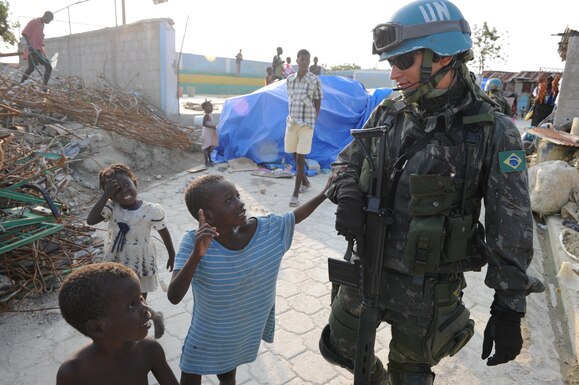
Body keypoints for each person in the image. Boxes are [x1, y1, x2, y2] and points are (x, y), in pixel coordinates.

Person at [318, 1, 544, 384]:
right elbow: (345, 162)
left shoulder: (492, 130)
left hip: (425, 289)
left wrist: (509, 307)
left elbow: (512, 222)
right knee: (338, 348)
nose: (394, 73)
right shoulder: (390, 112)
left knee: (411, 374)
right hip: (366, 266)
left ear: (443, 57)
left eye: (403, 61)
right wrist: (347, 191)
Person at [167, 173, 333, 385]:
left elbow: (294, 216)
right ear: (207, 216)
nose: (240, 203)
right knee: (190, 375)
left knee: (228, 375)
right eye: (229, 200)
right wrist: (196, 256)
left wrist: (324, 194)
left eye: (237, 195)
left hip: (240, 331)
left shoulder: (266, 230)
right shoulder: (193, 241)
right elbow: (173, 296)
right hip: (207, 335)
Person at [86, 163, 175, 339]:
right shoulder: (112, 207)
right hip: (117, 259)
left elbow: (163, 230)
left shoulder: (151, 210)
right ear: (111, 195)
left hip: (140, 261)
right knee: (120, 297)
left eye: (127, 184)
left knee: (139, 299)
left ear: (134, 182)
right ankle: (145, 319)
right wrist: (105, 195)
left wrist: (172, 254)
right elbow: (90, 220)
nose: (124, 191)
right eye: (116, 190)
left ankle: (143, 327)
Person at [56, 262, 179, 385]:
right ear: (96, 328)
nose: (145, 307)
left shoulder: (149, 349)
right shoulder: (72, 373)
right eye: (131, 305)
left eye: (141, 298)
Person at [285, 48, 323, 207]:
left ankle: (295, 194)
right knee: (293, 154)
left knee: (300, 158)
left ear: (309, 62)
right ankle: (306, 182)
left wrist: (314, 117)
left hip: (307, 123)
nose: (305, 62)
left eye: (307, 60)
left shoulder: (315, 80)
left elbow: (318, 100)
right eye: (302, 59)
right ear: (297, 60)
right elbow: (290, 98)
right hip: (292, 122)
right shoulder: (290, 79)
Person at [20, 11, 53, 89]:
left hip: (39, 50)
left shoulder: (42, 25)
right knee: (31, 68)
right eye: (49, 20)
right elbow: (24, 33)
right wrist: (30, 45)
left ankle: (44, 86)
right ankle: (21, 83)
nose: (49, 22)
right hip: (32, 50)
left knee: (49, 67)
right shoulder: (34, 22)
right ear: (45, 17)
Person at [200, 99, 218, 166]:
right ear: (204, 108)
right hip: (206, 133)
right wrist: (212, 127)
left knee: (209, 147)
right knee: (206, 148)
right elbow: (204, 124)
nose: (211, 108)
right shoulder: (206, 115)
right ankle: (206, 162)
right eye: (209, 107)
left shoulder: (209, 115)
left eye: (211, 106)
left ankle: (210, 160)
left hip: (209, 133)